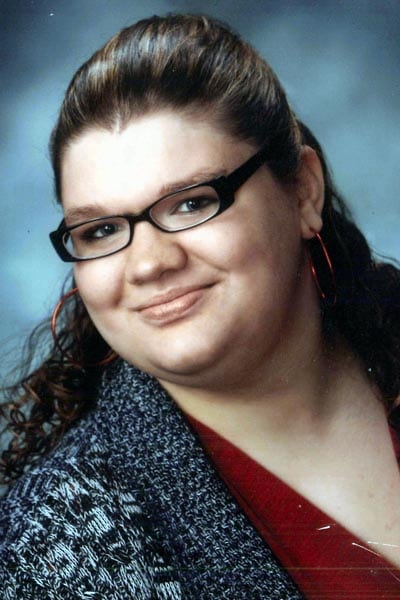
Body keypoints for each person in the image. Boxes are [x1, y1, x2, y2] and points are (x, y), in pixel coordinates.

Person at [0, 13, 399, 600]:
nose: (148, 263)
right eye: (101, 230)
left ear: (302, 192)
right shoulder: (54, 546)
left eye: (190, 203)